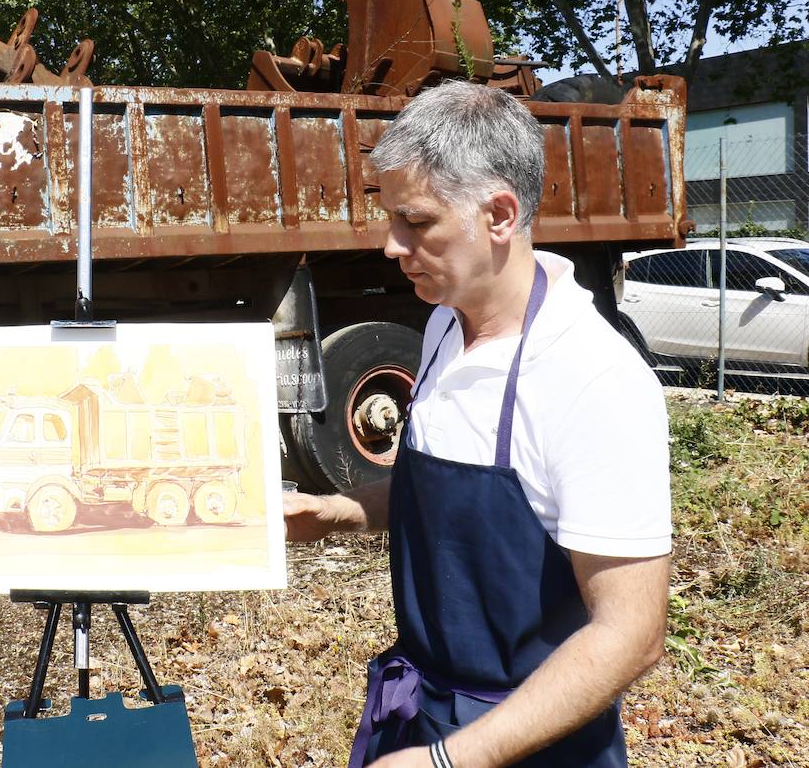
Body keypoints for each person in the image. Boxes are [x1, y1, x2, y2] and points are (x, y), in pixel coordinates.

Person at [284, 82, 671, 768]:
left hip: (533, 742)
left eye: (417, 222)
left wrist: (455, 760)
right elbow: (439, 492)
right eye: (388, 216)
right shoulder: (441, 325)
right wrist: (335, 511)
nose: (389, 245)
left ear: (499, 213)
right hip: (426, 712)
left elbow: (631, 634)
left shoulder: (592, 378)